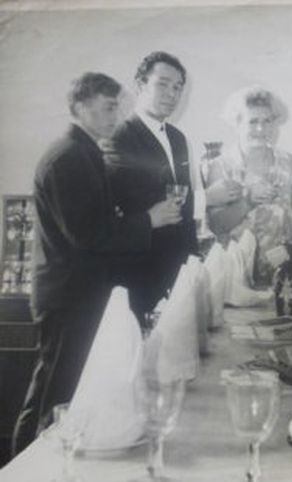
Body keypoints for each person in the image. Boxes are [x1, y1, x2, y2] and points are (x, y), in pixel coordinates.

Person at [12, 73, 180, 455]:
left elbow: (94, 226)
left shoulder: (82, 151)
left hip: (76, 293)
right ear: (79, 107)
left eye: (117, 106)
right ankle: (21, 475)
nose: (116, 116)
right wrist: (148, 220)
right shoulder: (67, 158)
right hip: (69, 297)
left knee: (59, 390)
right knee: (53, 395)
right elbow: (88, 234)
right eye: (108, 107)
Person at [107, 51, 198, 321]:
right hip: (137, 275)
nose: (172, 94)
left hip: (177, 274)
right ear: (141, 85)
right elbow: (110, 216)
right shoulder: (118, 137)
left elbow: (186, 208)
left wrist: (192, 265)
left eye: (177, 87)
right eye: (163, 84)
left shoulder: (178, 138)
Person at [203, 86, 292, 284]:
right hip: (234, 274)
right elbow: (216, 225)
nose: (261, 129)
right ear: (237, 123)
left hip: (280, 272)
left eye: (267, 121)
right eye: (253, 121)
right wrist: (247, 202)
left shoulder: (289, 164)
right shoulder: (220, 166)